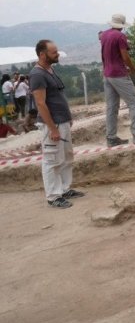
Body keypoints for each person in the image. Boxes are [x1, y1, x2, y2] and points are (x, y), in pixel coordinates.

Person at [29, 40, 85, 209]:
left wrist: (67, 118)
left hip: (62, 121)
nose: (57, 54)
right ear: (42, 54)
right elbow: (41, 103)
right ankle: (53, 196)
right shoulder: (37, 75)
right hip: (52, 125)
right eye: (54, 52)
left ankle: (65, 188)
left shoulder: (50, 70)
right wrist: (52, 128)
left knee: (66, 157)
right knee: (52, 160)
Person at [100, 13, 135, 147]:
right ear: (122, 26)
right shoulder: (120, 36)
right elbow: (125, 56)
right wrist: (132, 68)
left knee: (112, 107)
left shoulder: (104, 35)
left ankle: (111, 138)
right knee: (134, 102)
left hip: (107, 73)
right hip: (118, 73)